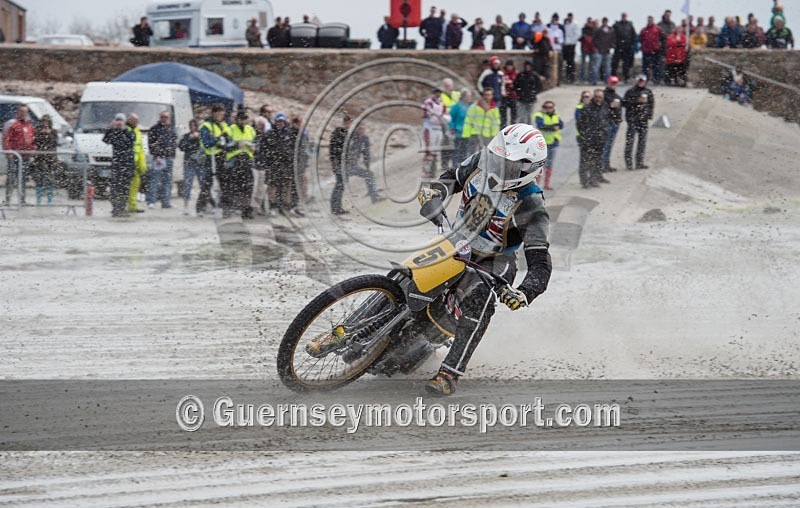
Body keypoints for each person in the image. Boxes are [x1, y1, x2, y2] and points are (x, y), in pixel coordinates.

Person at [416, 124, 552, 395]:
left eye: (509, 165)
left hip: (495, 260)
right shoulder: (480, 160)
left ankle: (449, 374)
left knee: (480, 304)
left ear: (530, 169)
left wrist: (525, 292)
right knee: (410, 270)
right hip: (455, 241)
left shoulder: (531, 203)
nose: (499, 167)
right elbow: (451, 177)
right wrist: (435, 192)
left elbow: (540, 260)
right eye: (497, 159)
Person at [197, 104, 230, 216]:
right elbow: (206, 143)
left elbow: (229, 139)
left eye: (222, 115)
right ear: (214, 113)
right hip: (210, 157)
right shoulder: (206, 126)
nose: (221, 117)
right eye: (219, 114)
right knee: (207, 184)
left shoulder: (224, 125)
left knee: (224, 183)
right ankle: (201, 207)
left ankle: (225, 207)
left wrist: (226, 140)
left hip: (222, 156)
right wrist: (217, 139)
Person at [224, 110, 256, 219]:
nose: (242, 121)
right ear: (237, 119)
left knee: (248, 186)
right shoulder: (229, 129)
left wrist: (253, 147)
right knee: (234, 187)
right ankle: (233, 208)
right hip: (234, 161)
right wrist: (236, 145)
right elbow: (224, 146)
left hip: (247, 160)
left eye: (244, 119)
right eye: (240, 119)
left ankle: (245, 209)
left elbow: (256, 143)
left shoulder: (250, 130)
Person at [102, 113, 136, 217]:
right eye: (118, 120)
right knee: (115, 188)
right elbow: (105, 140)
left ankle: (122, 208)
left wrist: (124, 129)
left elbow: (131, 139)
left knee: (125, 188)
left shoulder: (129, 132)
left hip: (127, 164)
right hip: (116, 165)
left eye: (121, 120)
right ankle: (116, 208)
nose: (120, 122)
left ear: (125, 122)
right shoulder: (114, 133)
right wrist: (109, 128)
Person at [576, 90, 610, 188]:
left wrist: (604, 134)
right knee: (585, 161)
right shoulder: (586, 108)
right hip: (588, 139)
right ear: (593, 97)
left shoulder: (604, 107)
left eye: (600, 97)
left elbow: (606, 120)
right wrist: (585, 136)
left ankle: (593, 179)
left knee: (596, 160)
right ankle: (584, 181)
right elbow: (580, 124)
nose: (598, 99)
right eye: (596, 96)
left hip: (600, 139)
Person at [3, 105, 35, 206]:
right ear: (18, 112)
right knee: (11, 178)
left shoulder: (29, 125)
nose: (23, 114)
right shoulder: (12, 123)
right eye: (22, 112)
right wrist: (8, 152)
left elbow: (32, 139)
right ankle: (7, 200)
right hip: (14, 155)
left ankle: (22, 200)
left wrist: (32, 150)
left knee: (23, 178)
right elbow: (6, 138)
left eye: (25, 112)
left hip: (25, 157)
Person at [343, 124, 383, 204]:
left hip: (354, 165)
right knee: (341, 185)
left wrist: (368, 167)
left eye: (363, 128)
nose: (361, 130)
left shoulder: (365, 139)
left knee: (369, 175)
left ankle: (374, 195)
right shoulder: (351, 137)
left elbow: (366, 154)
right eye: (359, 128)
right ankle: (373, 194)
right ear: (356, 128)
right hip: (345, 165)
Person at [622, 74, 655, 170]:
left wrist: (650, 114)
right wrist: (636, 101)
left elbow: (651, 103)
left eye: (642, 81)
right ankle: (628, 163)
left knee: (642, 143)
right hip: (632, 119)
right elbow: (625, 103)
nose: (641, 82)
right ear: (636, 81)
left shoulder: (648, 92)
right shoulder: (630, 91)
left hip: (643, 120)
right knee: (630, 142)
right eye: (639, 81)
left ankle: (639, 162)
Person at [147, 110, 177, 209]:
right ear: (160, 117)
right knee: (154, 180)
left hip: (169, 159)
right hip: (159, 159)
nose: (164, 118)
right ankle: (151, 201)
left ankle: (166, 202)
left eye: (166, 117)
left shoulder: (171, 129)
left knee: (167, 181)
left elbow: (173, 143)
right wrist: (157, 156)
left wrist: (173, 155)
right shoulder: (154, 129)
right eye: (163, 117)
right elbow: (151, 144)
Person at [532, 100, 563, 191]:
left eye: (550, 107)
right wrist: (553, 127)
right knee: (540, 165)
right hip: (542, 144)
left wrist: (549, 126)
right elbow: (541, 126)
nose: (548, 109)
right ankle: (536, 185)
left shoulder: (557, 116)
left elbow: (561, 125)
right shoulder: (539, 115)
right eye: (546, 107)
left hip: (553, 143)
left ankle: (547, 184)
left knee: (549, 165)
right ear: (543, 108)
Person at [31, 115, 59, 205]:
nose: (44, 123)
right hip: (39, 159)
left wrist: (48, 133)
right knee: (39, 179)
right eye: (43, 121)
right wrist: (42, 133)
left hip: (51, 159)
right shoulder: (38, 131)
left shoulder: (54, 132)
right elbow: (35, 142)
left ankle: (49, 199)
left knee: (50, 179)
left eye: (46, 122)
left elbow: (55, 143)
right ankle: (38, 199)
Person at [462, 88, 501, 153]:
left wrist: (494, 136)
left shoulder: (494, 109)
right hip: (475, 134)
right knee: (472, 154)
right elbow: (468, 121)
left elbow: (496, 124)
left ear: (492, 96)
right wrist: (466, 135)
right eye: (486, 95)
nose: (487, 97)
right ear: (483, 96)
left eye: (489, 95)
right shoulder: (474, 107)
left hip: (487, 136)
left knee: (485, 155)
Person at [178, 119, 204, 216]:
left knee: (203, 184)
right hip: (188, 163)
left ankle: (202, 206)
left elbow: (205, 145)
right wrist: (189, 138)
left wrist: (198, 137)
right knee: (187, 184)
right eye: (191, 126)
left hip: (200, 163)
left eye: (194, 125)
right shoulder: (186, 136)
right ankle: (186, 207)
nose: (192, 127)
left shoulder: (202, 135)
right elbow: (181, 147)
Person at [421, 89, 448, 176]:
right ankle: (427, 170)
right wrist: (432, 116)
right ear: (433, 93)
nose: (438, 95)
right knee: (429, 149)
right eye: (436, 93)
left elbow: (445, 113)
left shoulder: (442, 103)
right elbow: (426, 113)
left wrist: (443, 118)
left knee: (436, 150)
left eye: (439, 93)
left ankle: (433, 169)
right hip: (430, 128)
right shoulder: (428, 102)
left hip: (438, 128)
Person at [329, 115, 350, 215]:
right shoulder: (338, 132)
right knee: (339, 184)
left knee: (341, 185)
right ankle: (335, 207)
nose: (349, 125)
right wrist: (334, 163)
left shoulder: (347, 133)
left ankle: (337, 206)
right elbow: (332, 149)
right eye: (348, 123)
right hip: (338, 163)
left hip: (344, 163)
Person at [601, 76, 624, 172]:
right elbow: (601, 108)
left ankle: (606, 164)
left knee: (609, 144)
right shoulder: (603, 95)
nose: (613, 85)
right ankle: (602, 165)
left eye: (615, 83)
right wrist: (610, 106)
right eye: (612, 83)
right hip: (608, 123)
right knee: (605, 145)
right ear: (608, 83)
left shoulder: (616, 96)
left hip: (615, 122)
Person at [126, 114, 147, 214]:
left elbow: (140, 150)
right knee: (127, 187)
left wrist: (142, 165)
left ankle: (133, 206)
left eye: (137, 121)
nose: (136, 122)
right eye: (135, 120)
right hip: (128, 164)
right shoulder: (126, 130)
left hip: (136, 164)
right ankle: (125, 206)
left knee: (134, 187)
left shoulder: (137, 131)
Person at [448, 89, 472, 166]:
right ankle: (454, 166)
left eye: (470, 96)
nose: (470, 98)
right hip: (458, 131)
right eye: (468, 96)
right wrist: (452, 127)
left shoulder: (470, 106)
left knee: (466, 150)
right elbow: (451, 118)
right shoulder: (456, 106)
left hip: (468, 132)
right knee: (457, 150)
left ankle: (463, 166)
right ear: (464, 97)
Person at [611, 13, 636, 82]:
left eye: (625, 16)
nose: (624, 17)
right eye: (623, 16)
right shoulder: (616, 25)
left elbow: (634, 35)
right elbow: (612, 35)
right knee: (615, 63)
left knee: (626, 64)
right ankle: (613, 78)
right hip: (618, 47)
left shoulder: (630, 25)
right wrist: (613, 44)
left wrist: (631, 44)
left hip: (627, 47)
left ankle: (626, 78)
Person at [640, 16, 663, 85]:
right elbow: (640, 39)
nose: (650, 21)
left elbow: (662, 38)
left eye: (651, 20)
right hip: (646, 51)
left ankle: (656, 80)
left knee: (656, 66)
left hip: (656, 51)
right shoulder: (644, 30)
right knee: (645, 67)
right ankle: (645, 80)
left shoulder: (657, 29)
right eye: (649, 20)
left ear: (653, 21)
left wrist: (660, 46)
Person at [594, 18, 615, 83]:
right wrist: (598, 46)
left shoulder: (611, 30)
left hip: (607, 50)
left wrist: (611, 46)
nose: (605, 22)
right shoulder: (598, 30)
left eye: (606, 21)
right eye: (604, 21)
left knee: (607, 67)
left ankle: (607, 80)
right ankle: (594, 80)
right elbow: (595, 40)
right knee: (597, 66)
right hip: (600, 50)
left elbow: (613, 39)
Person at [562, 12, 580, 84]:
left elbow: (577, 34)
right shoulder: (566, 24)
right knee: (567, 62)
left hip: (572, 44)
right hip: (566, 44)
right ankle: (567, 77)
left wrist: (572, 41)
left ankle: (572, 77)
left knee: (571, 61)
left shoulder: (575, 24)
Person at [579, 18, 597, 84]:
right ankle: (582, 79)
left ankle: (592, 79)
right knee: (583, 65)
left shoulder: (594, 30)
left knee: (592, 65)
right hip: (584, 48)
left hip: (592, 49)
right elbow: (579, 38)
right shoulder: (583, 29)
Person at [501, 60, 518, 126]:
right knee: (503, 113)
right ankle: (503, 126)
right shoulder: (503, 74)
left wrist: (513, 85)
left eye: (510, 66)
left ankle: (513, 126)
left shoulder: (516, 74)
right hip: (505, 96)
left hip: (514, 96)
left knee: (514, 114)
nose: (509, 67)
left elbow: (518, 83)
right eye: (508, 66)